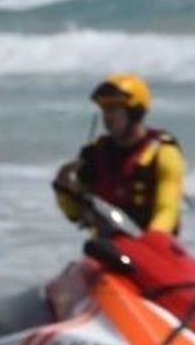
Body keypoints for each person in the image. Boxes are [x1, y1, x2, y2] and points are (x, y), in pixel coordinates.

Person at [53, 73, 185, 234]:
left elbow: (167, 211)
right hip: (106, 250)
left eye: (114, 109)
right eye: (104, 110)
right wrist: (63, 186)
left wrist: (150, 242)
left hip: (152, 250)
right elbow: (76, 214)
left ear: (134, 112)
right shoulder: (94, 154)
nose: (107, 117)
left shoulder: (163, 154)